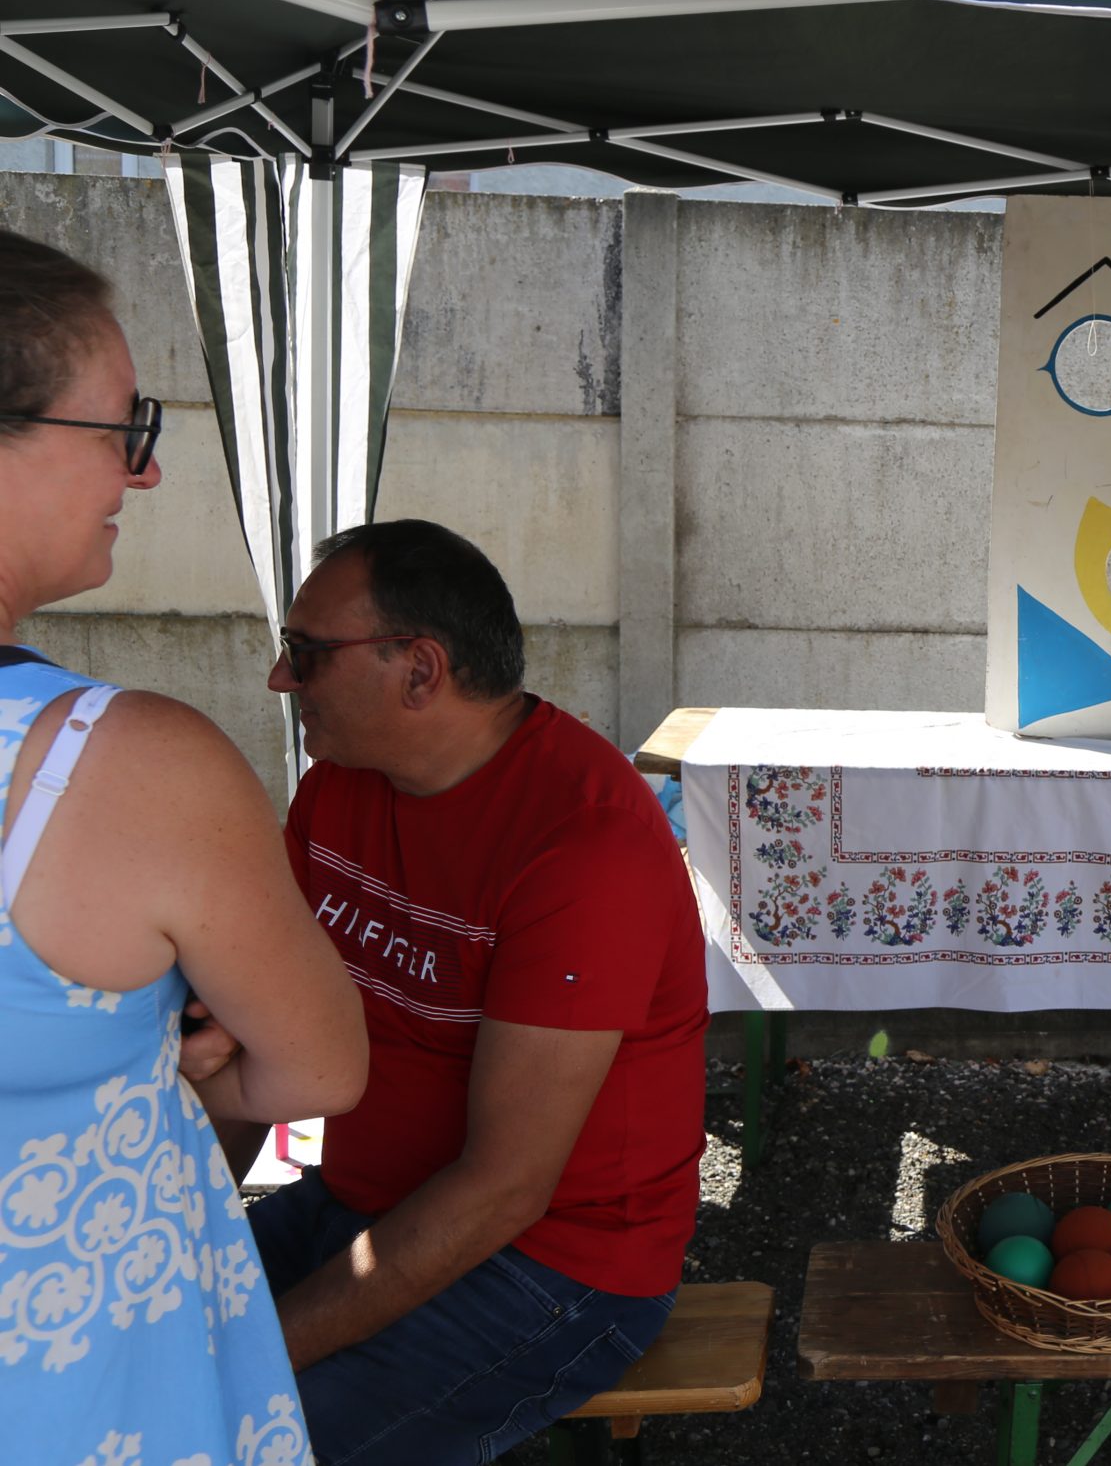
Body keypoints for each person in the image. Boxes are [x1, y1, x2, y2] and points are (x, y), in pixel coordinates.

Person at [188, 518, 709, 1465]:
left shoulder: (586, 845)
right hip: (363, 1205)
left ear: (421, 670)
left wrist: (244, 1357)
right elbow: (245, 1042)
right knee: (97, 1349)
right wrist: (177, 1229)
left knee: (229, 1434)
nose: (279, 678)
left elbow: (504, 1189)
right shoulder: (339, 787)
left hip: (557, 1266)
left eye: (306, 652)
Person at [0, 229, 367, 1464]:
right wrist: (170, 1055)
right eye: (122, 428)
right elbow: (318, 1066)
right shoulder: (122, 764)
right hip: (76, 1381)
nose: (143, 472)